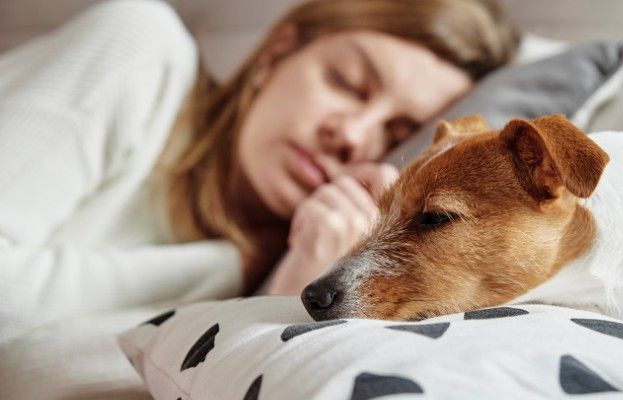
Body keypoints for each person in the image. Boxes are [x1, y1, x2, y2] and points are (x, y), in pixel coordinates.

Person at [0, 0, 517, 396]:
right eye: (347, 82)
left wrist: (286, 295)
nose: (354, 135)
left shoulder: (312, 267)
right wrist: (239, 264)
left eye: (395, 132)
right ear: (276, 55)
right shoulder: (140, 49)